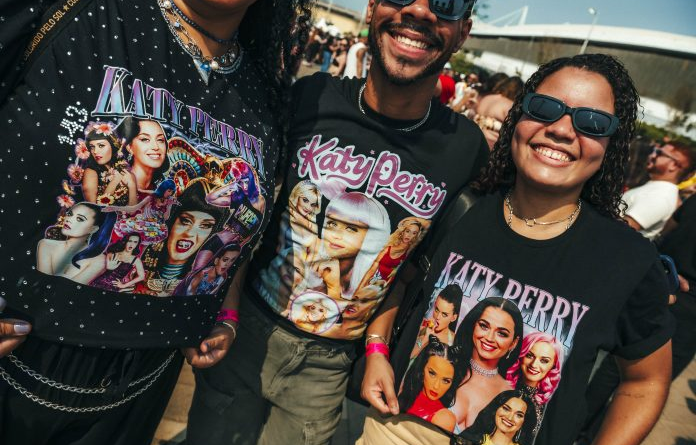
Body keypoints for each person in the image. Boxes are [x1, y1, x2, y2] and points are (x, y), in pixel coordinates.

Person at [0, 0, 312, 443]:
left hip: (140, 390)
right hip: (16, 366)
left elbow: (234, 225)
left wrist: (223, 307)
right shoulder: (78, 11)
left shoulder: (264, 91)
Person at [186, 0, 489, 443]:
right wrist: (227, 310)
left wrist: (377, 349)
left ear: (463, 31)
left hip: (327, 369)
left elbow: (403, 270)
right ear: (372, 9)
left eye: (445, 4)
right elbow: (242, 217)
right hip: (245, 335)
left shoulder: (465, 149)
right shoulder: (310, 97)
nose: (420, 12)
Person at [358, 54, 674, 445]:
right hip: (395, 433)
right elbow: (397, 283)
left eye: (591, 122)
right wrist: (376, 351)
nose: (561, 129)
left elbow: (645, 381)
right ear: (519, 117)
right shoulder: (459, 205)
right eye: (545, 108)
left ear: (611, 144)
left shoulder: (627, 260)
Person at [450, 298, 523, 430]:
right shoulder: (444, 362)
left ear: (514, 343)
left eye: (502, 333)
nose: (489, 338)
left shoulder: (510, 396)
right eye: (484, 326)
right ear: (473, 325)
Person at [622, 142, 694, 240]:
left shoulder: (660, 196)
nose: (652, 155)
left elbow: (620, 231)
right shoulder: (658, 190)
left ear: (673, 165)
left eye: (659, 153)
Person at [37, 202, 117, 285]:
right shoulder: (46, 245)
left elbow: (66, 290)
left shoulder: (99, 261)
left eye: (80, 219)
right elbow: (42, 283)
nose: (69, 219)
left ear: (93, 229)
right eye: (70, 214)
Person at [400, 335, 466, 432]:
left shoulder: (445, 418)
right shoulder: (402, 395)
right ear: (422, 369)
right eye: (432, 374)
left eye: (446, 380)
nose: (436, 386)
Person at [505, 332, 563, 435]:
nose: (534, 364)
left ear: (553, 366)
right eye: (530, 355)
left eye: (544, 361)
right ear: (522, 355)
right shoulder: (501, 385)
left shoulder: (549, 405)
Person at [358, 216, 429, 289]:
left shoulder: (409, 248)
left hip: (385, 286)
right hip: (371, 282)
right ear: (403, 231)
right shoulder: (389, 247)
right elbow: (372, 268)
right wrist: (360, 287)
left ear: (416, 235)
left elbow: (428, 224)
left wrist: (412, 219)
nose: (409, 235)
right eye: (408, 231)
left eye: (414, 233)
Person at [80, 121, 138, 206]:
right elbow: (94, 210)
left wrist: (132, 185)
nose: (95, 151)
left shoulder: (125, 171)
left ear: (113, 146)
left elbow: (134, 212)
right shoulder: (90, 172)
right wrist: (115, 181)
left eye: (101, 146)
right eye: (92, 147)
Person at [410, 283, 463, 360]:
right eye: (436, 310)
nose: (438, 317)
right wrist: (425, 338)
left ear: (453, 318)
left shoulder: (455, 341)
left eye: (444, 314)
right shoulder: (424, 325)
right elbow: (406, 358)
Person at [466, 390, 538, 445]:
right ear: (496, 409)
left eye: (519, 415)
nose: (510, 418)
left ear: (525, 422)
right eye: (506, 409)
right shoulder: (468, 441)